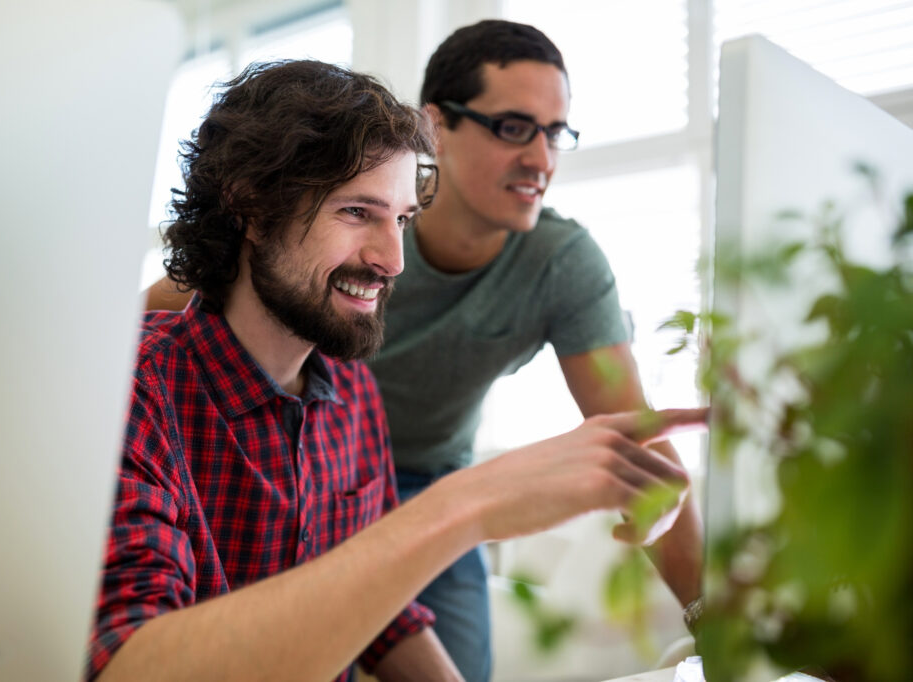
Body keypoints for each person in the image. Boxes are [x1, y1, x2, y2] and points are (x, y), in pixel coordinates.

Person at [132, 55, 704, 682]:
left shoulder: (353, 396)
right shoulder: (135, 396)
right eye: (357, 212)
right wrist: (469, 506)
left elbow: (387, 616)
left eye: (402, 219)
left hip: (431, 469)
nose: (392, 260)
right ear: (251, 207)